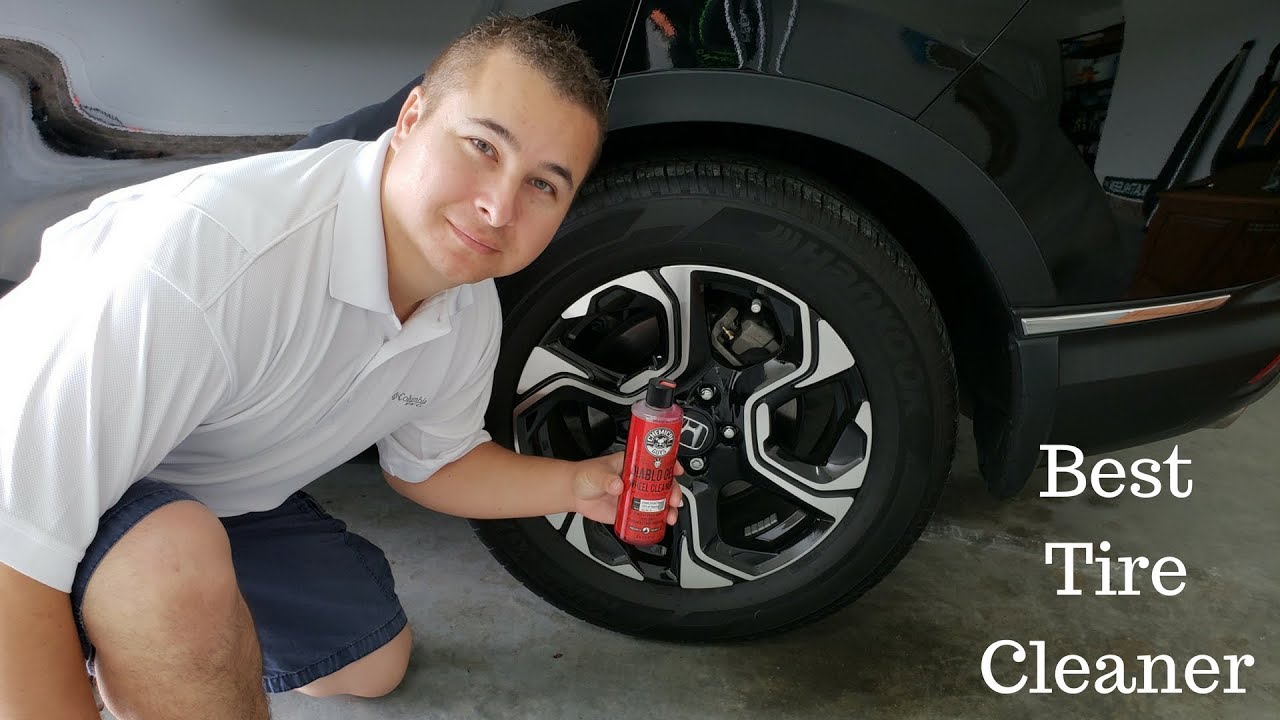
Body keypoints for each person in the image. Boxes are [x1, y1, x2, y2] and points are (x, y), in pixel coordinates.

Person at [0, 14, 683, 720]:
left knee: (371, 662)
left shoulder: (464, 308)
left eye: (544, 185)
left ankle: (127, 625)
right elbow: (9, 554)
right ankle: (125, 621)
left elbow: (431, 464)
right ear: (413, 115)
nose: (498, 205)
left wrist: (577, 485)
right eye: (482, 145)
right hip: (25, 473)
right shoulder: (209, 264)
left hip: (205, 483)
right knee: (166, 565)